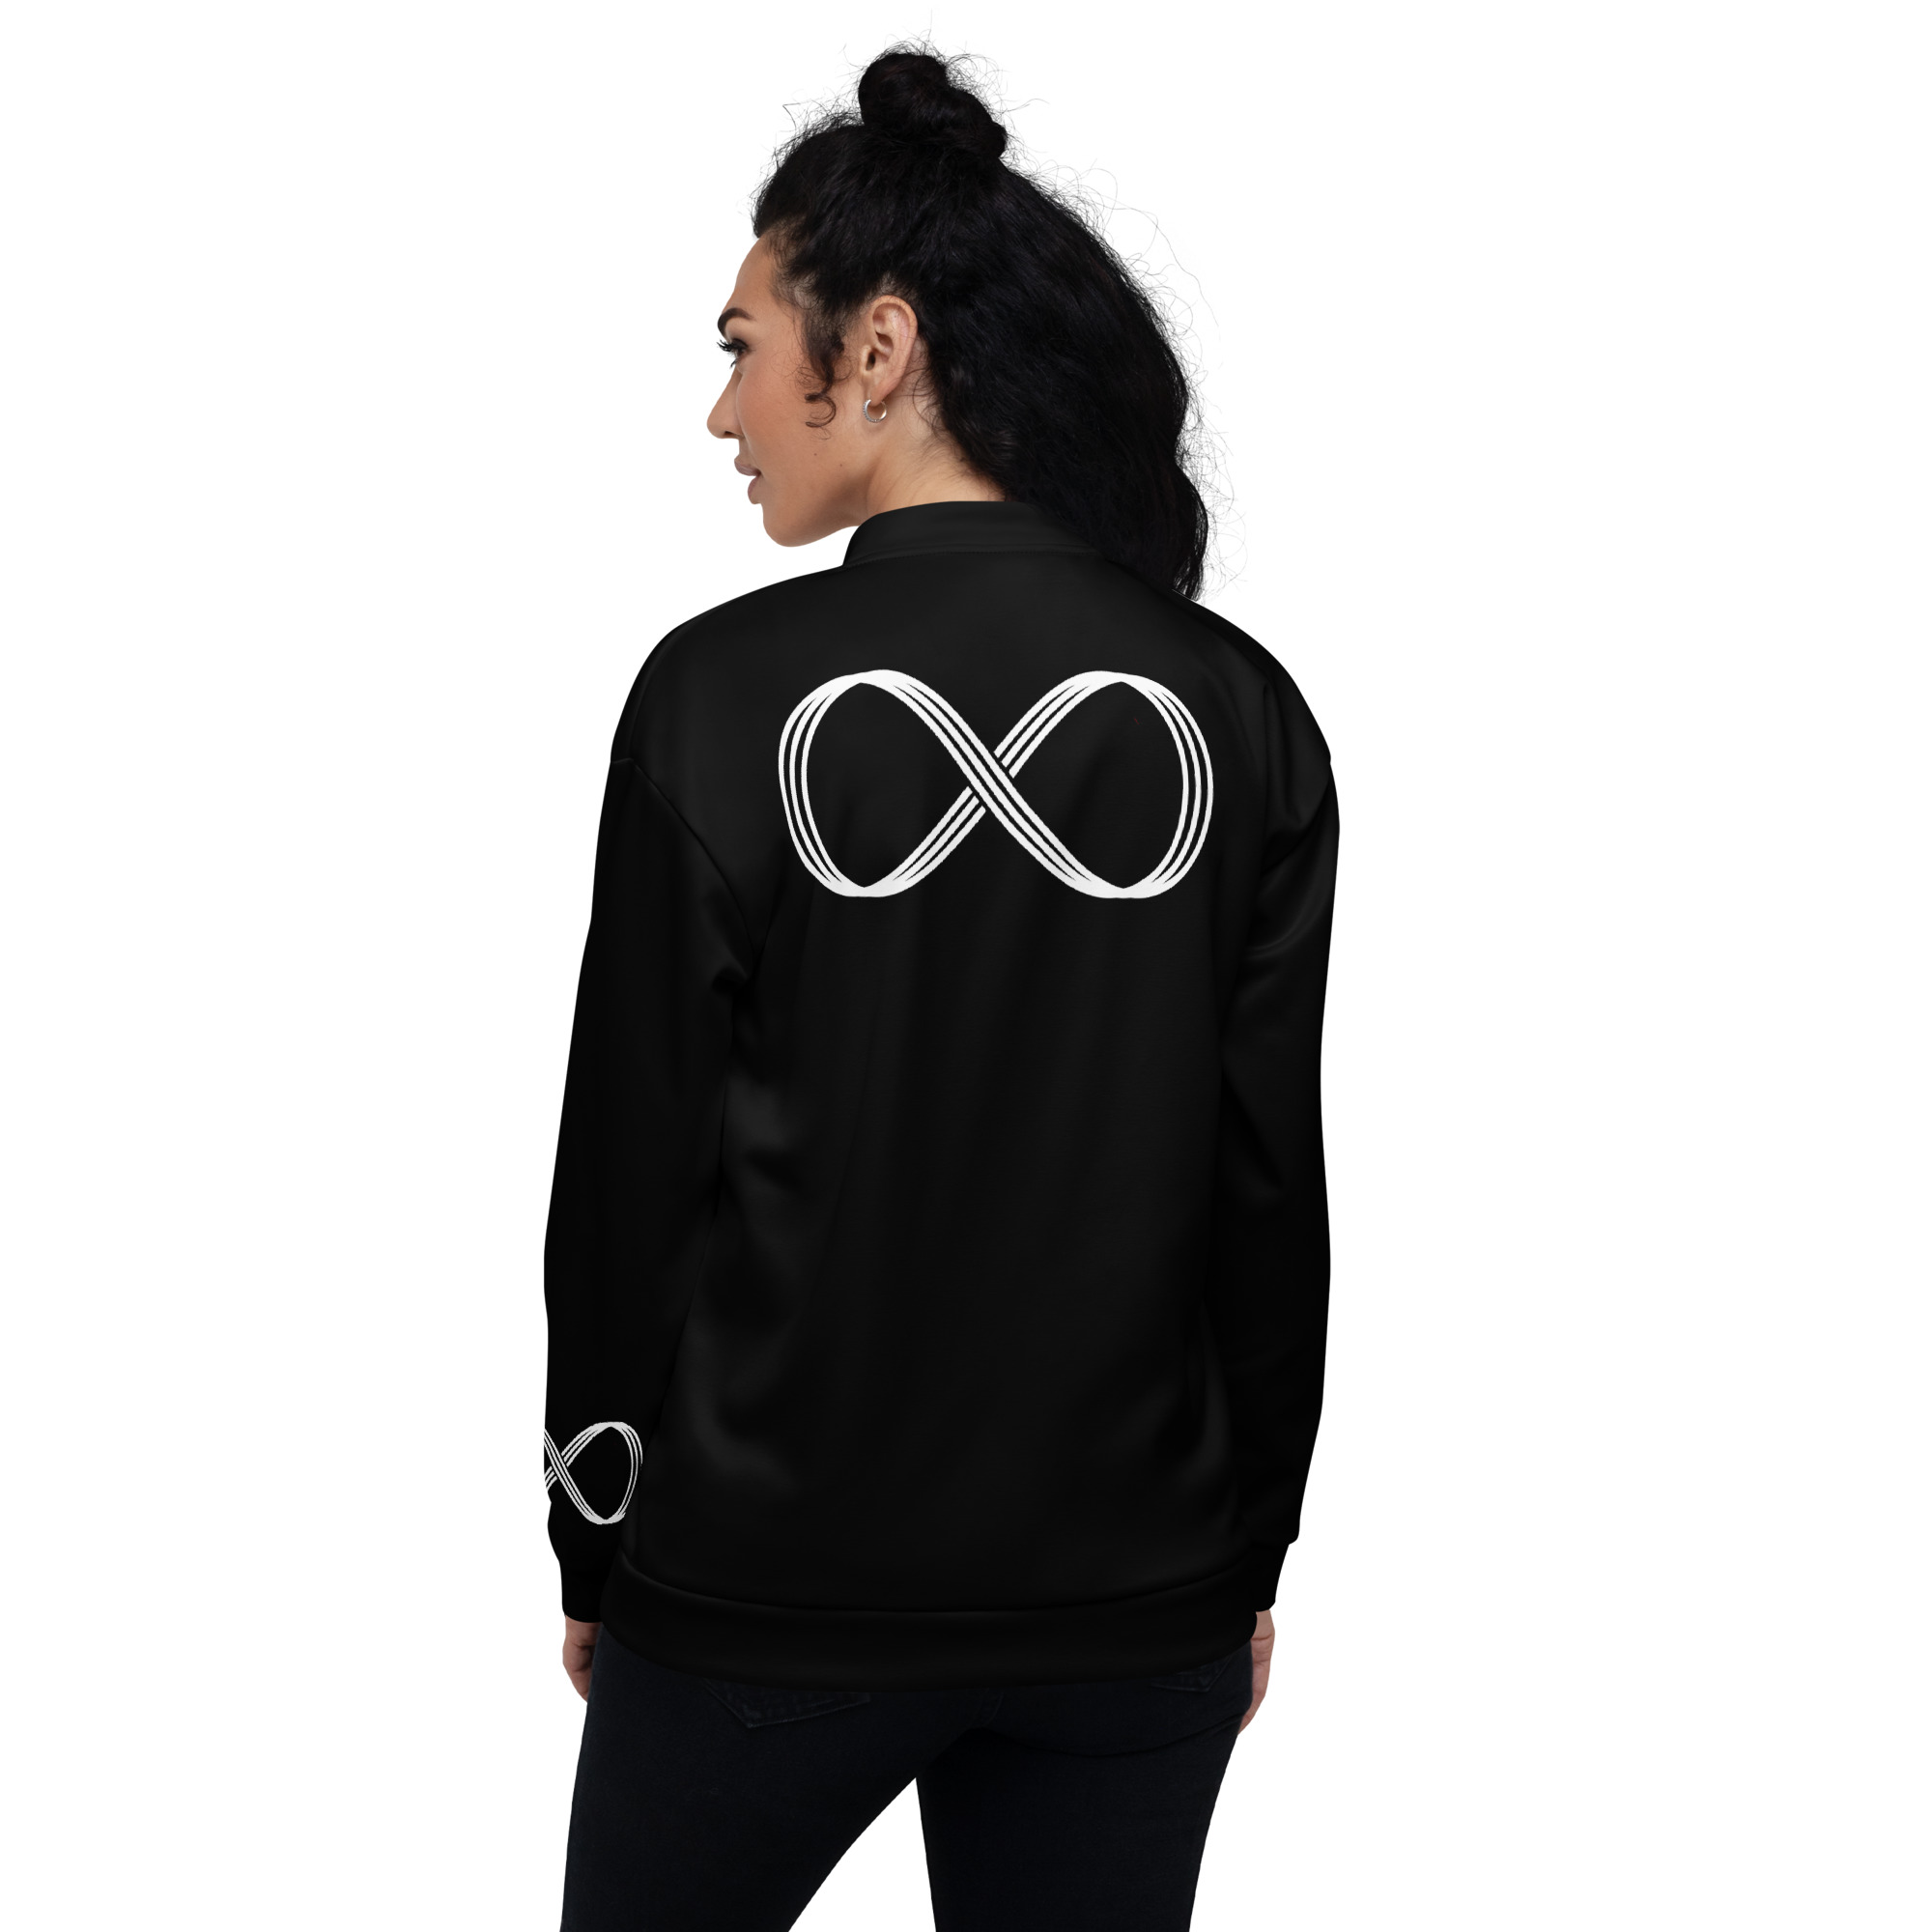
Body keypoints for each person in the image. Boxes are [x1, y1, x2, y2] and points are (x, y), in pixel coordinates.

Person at [542, 45, 1339, 1932]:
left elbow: (634, 1174)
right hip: (1127, 1615)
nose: (724, 409)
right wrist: (1242, 1557)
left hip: (764, 1600)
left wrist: (594, 1524)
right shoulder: (1244, 716)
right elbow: (1264, 1191)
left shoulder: (716, 696)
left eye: (745, 347)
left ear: (878, 347)